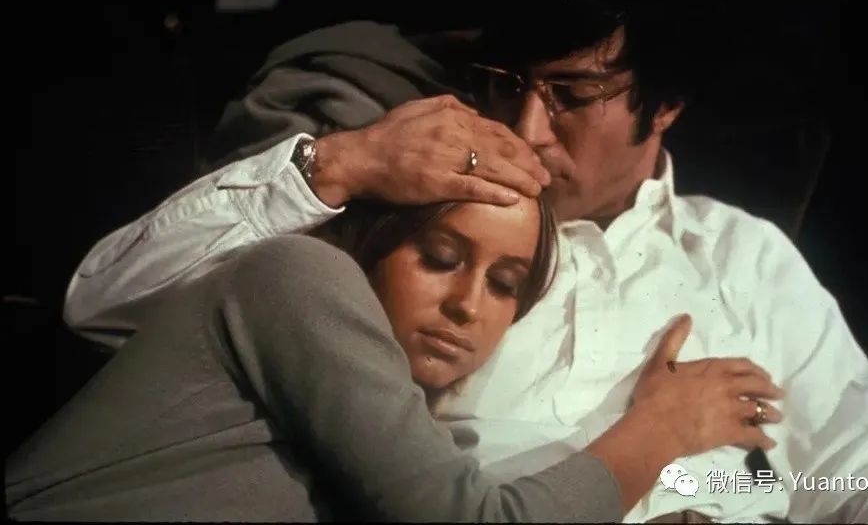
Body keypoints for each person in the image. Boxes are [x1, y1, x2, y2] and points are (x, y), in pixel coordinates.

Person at [58, 0, 868, 522]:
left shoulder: (744, 254)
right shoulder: (421, 227)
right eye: (507, 87)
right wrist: (341, 162)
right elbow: (102, 305)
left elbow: (859, 473)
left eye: (573, 95)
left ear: (666, 103)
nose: (527, 128)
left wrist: (710, 492)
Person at [6, 194, 785, 521]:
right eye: (441, 256)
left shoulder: (393, 430)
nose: (468, 304)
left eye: (506, 284)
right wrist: (660, 429)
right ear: (377, 241)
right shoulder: (299, 278)